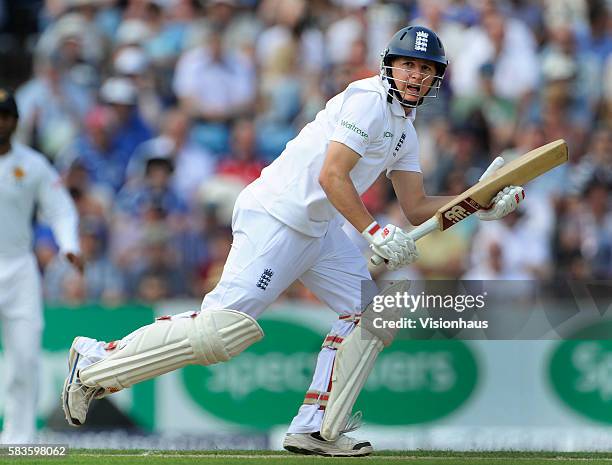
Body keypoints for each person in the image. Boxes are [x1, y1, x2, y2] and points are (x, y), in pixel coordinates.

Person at [61, 26, 524, 456]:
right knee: (219, 332)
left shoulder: (405, 130)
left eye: (425, 69)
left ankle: (315, 427)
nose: (416, 75)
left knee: (373, 315)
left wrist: (480, 202)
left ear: (435, 79)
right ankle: (94, 364)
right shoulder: (367, 101)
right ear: (389, 66)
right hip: (277, 216)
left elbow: (418, 207)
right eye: (408, 64)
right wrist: (373, 230)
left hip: (319, 230)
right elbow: (331, 175)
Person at [0, 88, 82, 444]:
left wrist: (69, 244)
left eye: (4, 116)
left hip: (19, 268)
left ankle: (19, 437)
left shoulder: (32, 165)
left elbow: (60, 207)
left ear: (14, 122)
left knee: (25, 356)